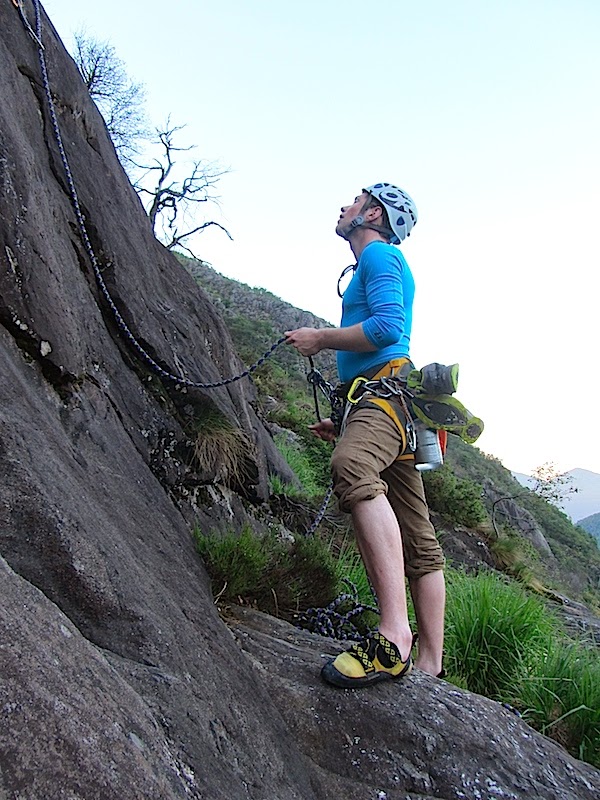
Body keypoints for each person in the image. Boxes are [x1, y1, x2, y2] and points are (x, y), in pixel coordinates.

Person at [285, 182, 445, 688]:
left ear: (372, 213)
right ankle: (430, 664)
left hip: (384, 395)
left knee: (351, 466)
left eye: (353, 200)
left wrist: (318, 338)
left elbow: (386, 328)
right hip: (388, 403)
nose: (343, 206)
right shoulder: (377, 262)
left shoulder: (378, 256)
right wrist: (350, 422)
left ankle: (394, 639)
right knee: (420, 539)